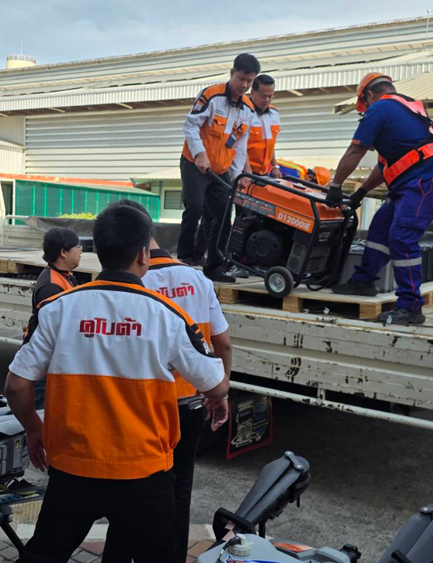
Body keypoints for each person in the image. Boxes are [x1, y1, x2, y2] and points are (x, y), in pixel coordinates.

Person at [5, 204, 229, 563]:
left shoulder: (57, 309)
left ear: (97, 249)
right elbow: (215, 385)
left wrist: (34, 429)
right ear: (143, 254)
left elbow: (16, 386)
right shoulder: (169, 317)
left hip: (73, 469)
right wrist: (219, 395)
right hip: (144, 473)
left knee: (43, 555)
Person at [114, 199, 233, 562]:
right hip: (191, 404)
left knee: (132, 486)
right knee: (181, 487)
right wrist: (220, 391)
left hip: (145, 406)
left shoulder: (132, 281)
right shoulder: (197, 279)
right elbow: (223, 343)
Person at [327, 73, 433, 325]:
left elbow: (356, 150)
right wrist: (360, 193)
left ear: (368, 96)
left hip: (427, 180)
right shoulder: (407, 110)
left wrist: (335, 186)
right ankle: (364, 281)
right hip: (417, 181)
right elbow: (385, 166)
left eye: (364, 106)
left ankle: (410, 306)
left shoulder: (379, 108)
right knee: (381, 226)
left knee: (402, 236)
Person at [179, 53, 259, 282]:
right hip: (195, 163)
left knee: (224, 215)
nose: (244, 85)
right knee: (195, 207)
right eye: (241, 78)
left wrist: (239, 177)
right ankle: (184, 259)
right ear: (232, 73)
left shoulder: (248, 109)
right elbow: (190, 126)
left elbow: (239, 146)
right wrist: (200, 153)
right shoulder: (211, 95)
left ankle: (214, 266)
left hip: (220, 170)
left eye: (249, 81)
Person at [31, 227, 81, 409]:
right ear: (63, 252)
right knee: (43, 411)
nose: (81, 252)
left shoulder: (64, 277)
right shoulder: (51, 287)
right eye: (77, 247)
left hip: (54, 362)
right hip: (47, 366)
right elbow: (53, 331)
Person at [244, 74, 282, 178]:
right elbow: (239, 146)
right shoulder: (243, 112)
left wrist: (275, 166)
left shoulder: (274, 113)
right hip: (245, 172)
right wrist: (247, 171)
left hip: (264, 172)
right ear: (252, 92)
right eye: (263, 96)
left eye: (270, 96)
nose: (266, 100)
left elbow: (270, 144)